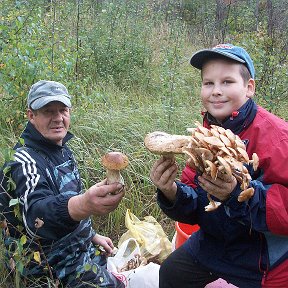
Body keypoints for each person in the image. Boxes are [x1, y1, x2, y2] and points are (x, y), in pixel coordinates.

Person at [150, 44, 288, 288]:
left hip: (262, 257)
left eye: (227, 82)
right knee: (171, 274)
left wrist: (237, 194)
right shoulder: (205, 135)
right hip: (215, 242)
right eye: (208, 83)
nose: (216, 91)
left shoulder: (278, 137)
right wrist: (170, 192)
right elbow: (194, 203)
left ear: (249, 88)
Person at [0, 80, 125, 287]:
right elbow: (37, 218)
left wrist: (92, 235)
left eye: (63, 110)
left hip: (76, 249)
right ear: (31, 115)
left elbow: (70, 199)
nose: (58, 118)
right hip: (48, 266)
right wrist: (85, 205)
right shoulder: (23, 162)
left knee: (123, 265)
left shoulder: (63, 150)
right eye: (48, 111)